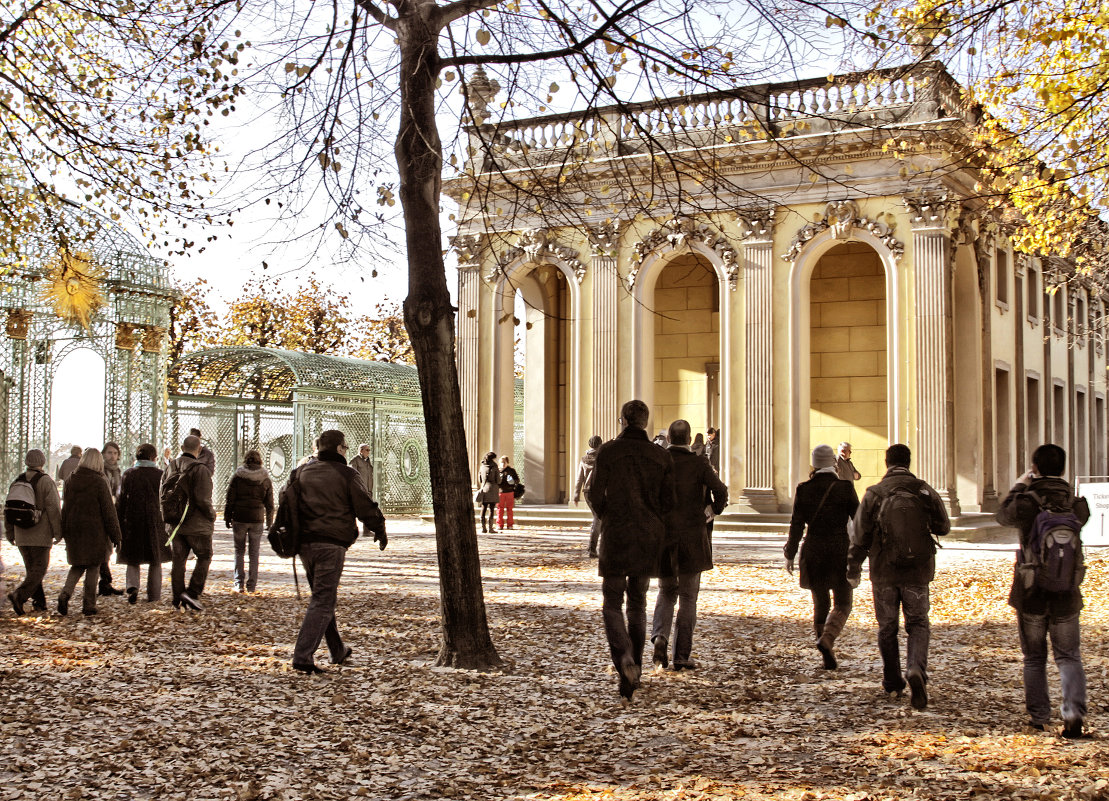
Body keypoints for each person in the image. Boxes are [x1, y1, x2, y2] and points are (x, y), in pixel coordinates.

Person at [996, 444, 1090, 737]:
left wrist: (1019, 486)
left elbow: (1003, 516)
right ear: (1062, 468)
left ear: (1034, 467)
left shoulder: (1027, 502)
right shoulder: (1075, 503)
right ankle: (1074, 711)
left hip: (1032, 590)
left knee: (1035, 657)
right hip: (1066, 591)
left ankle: (1039, 716)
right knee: (1069, 655)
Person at [847, 443, 950, 709]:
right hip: (918, 570)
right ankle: (916, 669)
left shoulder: (874, 493)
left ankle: (892, 681)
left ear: (887, 463)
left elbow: (860, 536)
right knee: (918, 623)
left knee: (887, 626)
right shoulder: (924, 490)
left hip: (884, 571)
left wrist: (853, 567)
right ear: (909, 461)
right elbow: (944, 526)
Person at [586, 399, 675, 700]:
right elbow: (669, 502)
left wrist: (607, 515)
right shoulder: (661, 457)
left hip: (616, 533)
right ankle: (635, 664)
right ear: (645, 423)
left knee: (612, 602)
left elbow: (594, 493)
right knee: (637, 603)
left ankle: (623, 657)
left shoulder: (608, 451)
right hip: (648, 536)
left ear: (623, 420)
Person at [291, 429, 386, 674]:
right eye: (345, 447)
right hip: (331, 543)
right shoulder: (346, 474)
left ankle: (337, 650)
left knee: (321, 596)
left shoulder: (300, 472)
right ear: (340, 449)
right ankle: (302, 656)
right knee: (323, 599)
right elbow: (365, 505)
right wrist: (379, 528)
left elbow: (287, 501)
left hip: (304, 543)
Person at [651, 420, 728, 671]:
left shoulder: (659, 463)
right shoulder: (698, 463)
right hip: (692, 537)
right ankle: (681, 656)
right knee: (688, 598)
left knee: (665, 592)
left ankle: (660, 636)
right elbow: (721, 490)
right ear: (687, 439)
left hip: (664, 537)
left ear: (670, 437)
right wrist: (713, 509)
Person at [785, 444, 860, 669]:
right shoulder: (845, 487)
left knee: (821, 601)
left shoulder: (804, 488)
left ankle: (822, 642)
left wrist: (790, 553)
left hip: (814, 548)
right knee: (844, 601)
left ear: (814, 464)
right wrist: (861, 550)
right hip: (839, 549)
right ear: (833, 463)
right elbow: (859, 520)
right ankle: (828, 638)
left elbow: (796, 524)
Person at [58, 448, 121, 616]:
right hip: (95, 530)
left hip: (75, 529)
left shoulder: (71, 479)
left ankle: (65, 594)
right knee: (93, 567)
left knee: (77, 566)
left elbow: (66, 507)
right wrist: (116, 534)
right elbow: (108, 510)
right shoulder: (100, 481)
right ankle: (89, 605)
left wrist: (63, 530)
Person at [164, 434, 216, 611]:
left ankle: (177, 597)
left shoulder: (171, 467)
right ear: (199, 449)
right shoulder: (201, 470)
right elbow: (203, 499)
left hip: (175, 523)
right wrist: (211, 515)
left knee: (178, 561)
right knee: (204, 556)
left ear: (181, 447)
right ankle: (192, 592)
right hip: (197, 525)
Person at [5, 449, 61, 615]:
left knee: (32, 570)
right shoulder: (46, 481)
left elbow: (9, 509)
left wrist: (10, 533)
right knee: (39, 569)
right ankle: (19, 596)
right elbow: (53, 509)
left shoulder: (17, 481)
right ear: (42, 462)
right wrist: (58, 532)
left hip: (21, 533)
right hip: (40, 534)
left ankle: (40, 603)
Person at [117, 443, 169, 604]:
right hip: (156, 521)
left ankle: (132, 586)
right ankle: (154, 595)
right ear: (155, 458)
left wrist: (119, 522)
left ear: (136, 457)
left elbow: (121, 500)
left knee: (133, 557)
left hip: (133, 520)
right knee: (156, 559)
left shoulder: (129, 474)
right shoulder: (161, 474)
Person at [224, 449, 275, 593]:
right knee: (254, 552)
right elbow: (269, 503)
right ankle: (252, 585)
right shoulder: (265, 478)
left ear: (245, 460)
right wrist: (269, 522)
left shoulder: (238, 476)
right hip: (257, 518)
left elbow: (230, 499)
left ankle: (238, 583)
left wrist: (228, 517)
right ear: (260, 461)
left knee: (239, 551)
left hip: (240, 517)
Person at [97, 441, 125, 597]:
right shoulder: (100, 471)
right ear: (103, 454)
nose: (112, 456)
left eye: (115, 453)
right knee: (104, 548)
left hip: (114, 512)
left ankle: (105, 582)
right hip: (102, 514)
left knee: (108, 548)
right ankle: (105, 581)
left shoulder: (118, 471)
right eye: (109, 452)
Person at [574, 435, 603, 557]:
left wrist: (576, 493)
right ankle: (592, 548)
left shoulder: (583, 459)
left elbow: (579, 477)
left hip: (587, 492)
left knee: (598, 518)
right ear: (600, 444)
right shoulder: (602, 457)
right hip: (599, 490)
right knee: (598, 518)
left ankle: (594, 547)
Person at [475, 452, 500, 533]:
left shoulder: (482, 466)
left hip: (484, 488)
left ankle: (483, 528)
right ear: (493, 458)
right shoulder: (494, 466)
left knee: (483, 508)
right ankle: (490, 528)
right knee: (491, 509)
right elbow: (498, 480)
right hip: (492, 488)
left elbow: (480, 479)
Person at [497, 455, 520, 531]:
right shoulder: (497, 471)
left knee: (509, 509)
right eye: (501, 462)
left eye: (504, 462)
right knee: (500, 509)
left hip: (509, 492)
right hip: (500, 492)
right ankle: (500, 524)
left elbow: (517, 480)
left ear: (507, 463)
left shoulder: (511, 470)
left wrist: (512, 481)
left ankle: (510, 525)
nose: (502, 464)